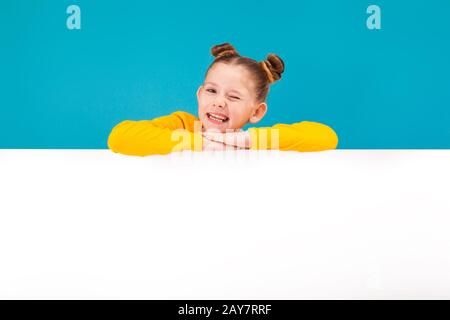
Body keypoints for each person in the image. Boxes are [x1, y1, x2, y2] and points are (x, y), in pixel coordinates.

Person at [107, 43, 338, 156]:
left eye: (234, 96)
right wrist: (205, 143)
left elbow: (326, 136)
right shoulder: (185, 125)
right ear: (199, 95)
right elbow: (119, 136)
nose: (219, 102)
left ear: (256, 112)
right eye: (211, 91)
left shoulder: (257, 140)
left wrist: (246, 141)